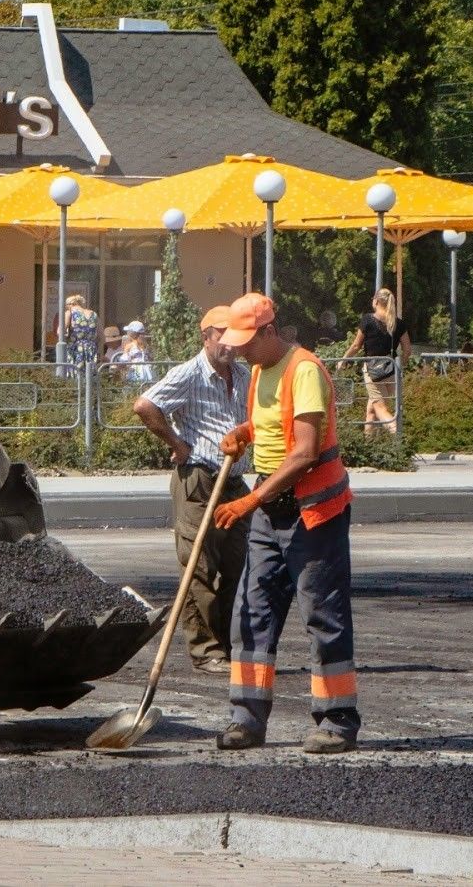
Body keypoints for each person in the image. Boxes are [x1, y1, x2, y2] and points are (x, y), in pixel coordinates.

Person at [212, 293, 359, 755]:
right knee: (251, 613)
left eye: (245, 341)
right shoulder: (260, 371)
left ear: (269, 331)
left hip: (313, 511)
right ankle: (246, 719)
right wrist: (245, 432)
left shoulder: (306, 370)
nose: (237, 350)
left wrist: (251, 499)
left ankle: (337, 721)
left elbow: (305, 451)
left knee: (323, 614)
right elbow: (272, 426)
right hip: (271, 511)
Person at [130, 306, 251, 676]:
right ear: (206, 336)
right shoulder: (190, 373)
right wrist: (178, 444)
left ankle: (229, 645)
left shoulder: (244, 375)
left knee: (237, 566)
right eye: (221, 336)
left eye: (233, 337)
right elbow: (145, 404)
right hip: (199, 478)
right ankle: (206, 649)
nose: (228, 344)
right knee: (198, 565)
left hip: (234, 483)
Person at [343, 288, 410, 434]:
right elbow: (407, 349)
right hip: (391, 370)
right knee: (371, 411)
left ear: (377, 301)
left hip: (373, 370)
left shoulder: (368, 320)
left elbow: (356, 345)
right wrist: (400, 365)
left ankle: (399, 436)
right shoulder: (398, 323)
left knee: (380, 409)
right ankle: (369, 446)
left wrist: (344, 360)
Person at [62, 294, 99, 366]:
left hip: (75, 349)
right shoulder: (94, 314)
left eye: (66, 306)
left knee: (75, 374)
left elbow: (59, 331)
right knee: (89, 374)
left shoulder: (70, 313)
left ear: (70, 305)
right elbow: (101, 336)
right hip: (91, 350)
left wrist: (67, 337)